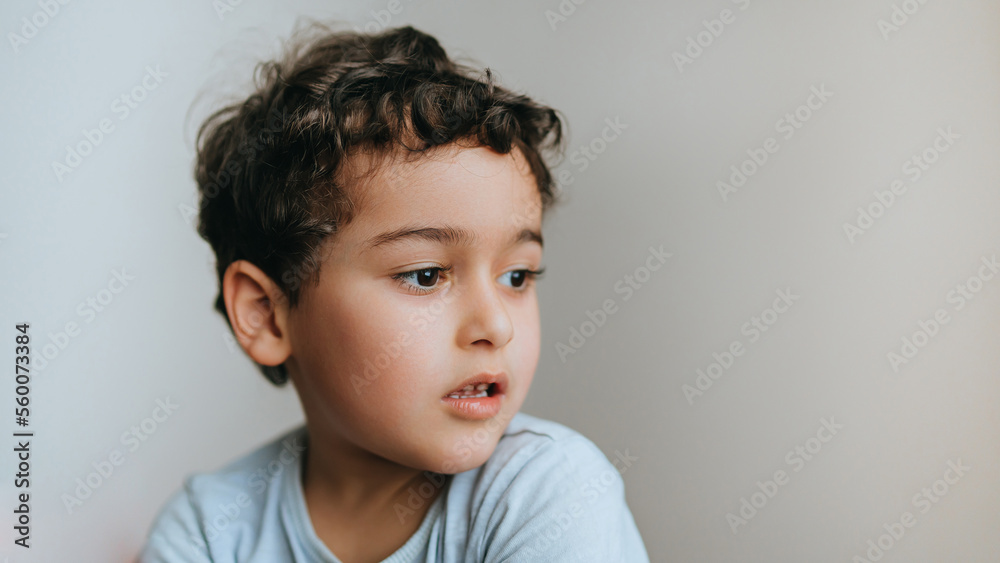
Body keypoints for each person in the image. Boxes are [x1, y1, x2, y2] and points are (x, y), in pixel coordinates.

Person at [139, 20, 649, 562]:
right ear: (266, 313)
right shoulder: (207, 530)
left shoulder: (549, 493)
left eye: (517, 277)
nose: (495, 326)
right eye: (426, 275)